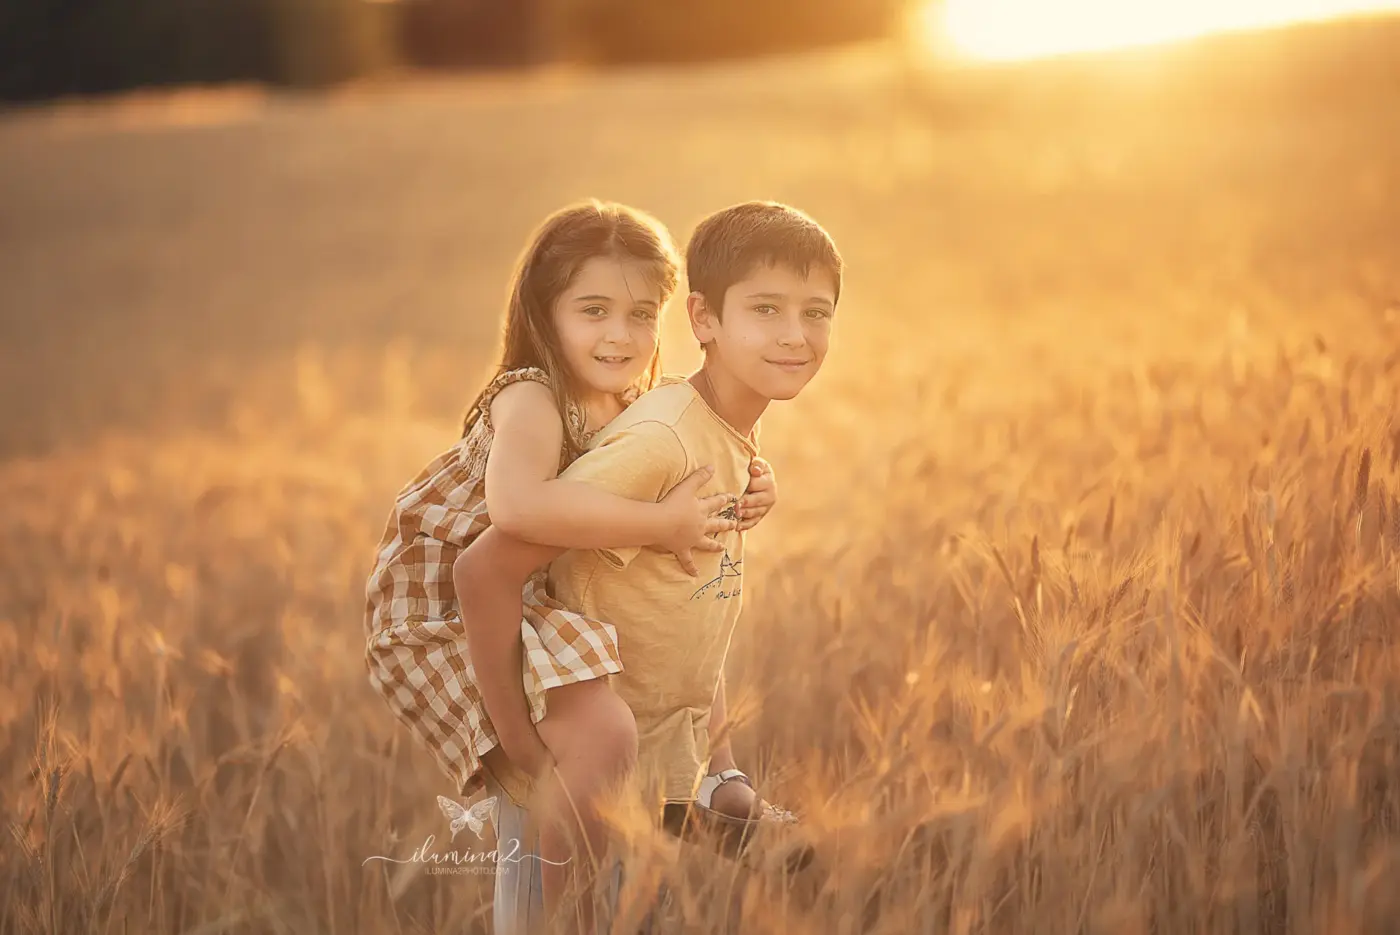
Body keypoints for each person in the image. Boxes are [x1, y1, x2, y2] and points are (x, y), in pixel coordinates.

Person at [361, 200, 783, 921]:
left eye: (641, 314)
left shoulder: (636, 406)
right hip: (444, 607)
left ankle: (707, 784)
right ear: (543, 310)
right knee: (602, 731)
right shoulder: (532, 397)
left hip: (543, 593)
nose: (620, 335)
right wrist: (519, 746)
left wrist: (753, 478)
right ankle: (555, 912)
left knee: (664, 611)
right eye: (593, 310)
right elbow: (515, 515)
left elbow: (695, 461)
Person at [457, 200, 843, 932]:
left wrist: (715, 759)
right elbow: (485, 568)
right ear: (704, 319)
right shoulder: (658, 440)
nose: (796, 335)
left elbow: (690, 600)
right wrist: (521, 750)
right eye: (766, 309)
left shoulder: (718, 435)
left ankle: (713, 791)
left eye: (816, 312)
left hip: (652, 773)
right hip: (579, 765)